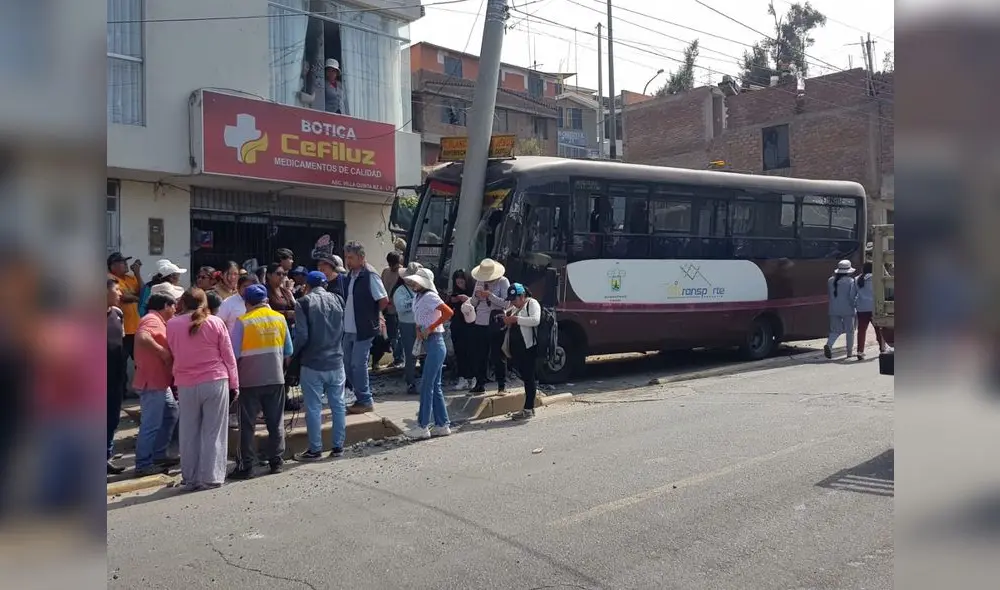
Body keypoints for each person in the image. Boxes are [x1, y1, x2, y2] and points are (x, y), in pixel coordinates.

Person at [166, 288, 240, 491]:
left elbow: (174, 351)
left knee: (189, 431)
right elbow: (228, 356)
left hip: (186, 383)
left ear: (183, 303)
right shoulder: (215, 322)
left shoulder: (172, 324)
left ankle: (190, 477)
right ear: (204, 302)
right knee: (213, 431)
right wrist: (235, 384)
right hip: (215, 380)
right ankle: (212, 476)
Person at [228, 284, 293, 479]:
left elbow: (234, 354)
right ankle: (276, 461)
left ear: (247, 303)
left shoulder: (243, 322)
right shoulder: (280, 319)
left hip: (249, 381)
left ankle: (247, 466)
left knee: (247, 425)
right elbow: (288, 351)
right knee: (275, 422)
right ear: (266, 300)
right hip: (275, 378)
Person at [292, 271, 348, 462]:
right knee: (338, 405)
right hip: (336, 360)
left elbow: (302, 336)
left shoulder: (303, 303)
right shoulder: (339, 300)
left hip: (313, 363)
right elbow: (343, 329)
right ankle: (338, 447)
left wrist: (293, 355)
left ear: (307, 285)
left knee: (314, 408)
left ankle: (315, 449)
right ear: (325, 285)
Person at [132, 287, 181, 477]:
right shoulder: (151, 319)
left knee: (171, 413)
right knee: (151, 424)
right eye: (173, 306)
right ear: (165, 306)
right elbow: (142, 337)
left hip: (160, 382)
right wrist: (162, 352)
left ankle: (159, 455)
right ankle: (143, 464)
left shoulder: (159, 321)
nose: (175, 310)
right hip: (151, 383)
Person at [404, 267, 453, 439]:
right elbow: (421, 318)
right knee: (434, 386)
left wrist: (430, 327)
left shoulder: (430, 296)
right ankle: (442, 424)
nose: (413, 283)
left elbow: (448, 312)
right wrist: (420, 328)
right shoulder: (419, 296)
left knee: (427, 385)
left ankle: (423, 425)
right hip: (431, 342)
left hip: (435, 341)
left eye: (416, 281)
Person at [342, 241, 389, 414]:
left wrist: (374, 314)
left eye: (351, 257)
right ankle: (359, 396)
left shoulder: (370, 275)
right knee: (347, 364)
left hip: (364, 328)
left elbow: (383, 300)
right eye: (346, 257)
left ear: (361, 257)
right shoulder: (351, 275)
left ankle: (365, 399)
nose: (348, 261)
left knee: (358, 365)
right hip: (349, 328)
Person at [468, 258, 511, 394]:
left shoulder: (503, 281)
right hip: (480, 321)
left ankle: (501, 385)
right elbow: (473, 303)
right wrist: (476, 296)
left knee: (497, 355)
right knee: (480, 354)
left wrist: (490, 295)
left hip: (496, 322)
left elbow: (506, 303)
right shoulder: (480, 282)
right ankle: (480, 383)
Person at [504, 283, 542, 421]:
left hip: (529, 347)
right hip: (519, 349)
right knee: (524, 375)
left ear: (522, 296)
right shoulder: (515, 308)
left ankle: (528, 408)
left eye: (515, 299)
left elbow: (535, 320)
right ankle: (528, 407)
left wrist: (516, 319)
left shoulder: (532, 303)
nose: (513, 302)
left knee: (529, 378)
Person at [107, 279, 127, 475]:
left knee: (112, 420)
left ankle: (106, 457)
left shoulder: (117, 314)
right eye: (116, 289)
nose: (120, 293)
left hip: (115, 377)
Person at [392, 263, 421, 395]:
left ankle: (424, 380)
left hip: (422, 324)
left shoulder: (422, 290)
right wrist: (415, 301)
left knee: (425, 353)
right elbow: (400, 308)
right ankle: (411, 382)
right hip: (407, 325)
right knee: (410, 354)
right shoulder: (400, 291)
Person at [107, 252, 142, 362]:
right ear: (113, 266)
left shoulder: (130, 278)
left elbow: (143, 292)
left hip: (136, 327)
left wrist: (137, 273)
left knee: (140, 362)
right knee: (120, 363)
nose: (126, 264)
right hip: (122, 330)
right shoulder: (110, 279)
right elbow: (123, 297)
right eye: (122, 262)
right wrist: (137, 298)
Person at [824, 260, 859, 360]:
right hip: (848, 309)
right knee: (850, 331)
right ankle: (849, 352)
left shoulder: (830, 280)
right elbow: (852, 296)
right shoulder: (851, 281)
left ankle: (829, 344)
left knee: (835, 330)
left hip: (833, 308)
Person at [448, 269, 476, 390]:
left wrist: (468, 299)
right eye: (457, 282)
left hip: (470, 325)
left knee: (472, 352)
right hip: (457, 324)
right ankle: (462, 378)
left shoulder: (473, 292)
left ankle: (473, 377)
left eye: (462, 282)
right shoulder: (454, 292)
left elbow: (477, 304)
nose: (460, 285)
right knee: (459, 352)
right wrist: (452, 300)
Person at [855, 262, 887, 360]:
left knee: (861, 330)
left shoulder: (856, 279)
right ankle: (882, 348)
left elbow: (852, 294)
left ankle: (860, 351)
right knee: (878, 329)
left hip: (861, 308)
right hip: (875, 307)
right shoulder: (876, 277)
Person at [381, 251, 404, 367]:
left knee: (400, 335)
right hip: (388, 310)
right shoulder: (385, 272)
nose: (393, 267)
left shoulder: (403, 273)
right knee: (392, 336)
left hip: (400, 310)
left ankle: (400, 358)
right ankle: (397, 358)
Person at [265, 263, 296, 328]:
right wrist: (286, 314)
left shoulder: (285, 291)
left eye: (284, 274)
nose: (282, 276)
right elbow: (265, 312)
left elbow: (294, 306)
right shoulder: (265, 291)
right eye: (278, 274)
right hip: (273, 327)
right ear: (269, 275)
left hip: (289, 327)